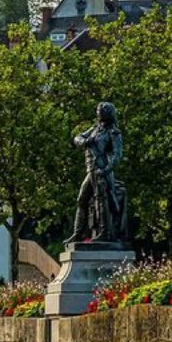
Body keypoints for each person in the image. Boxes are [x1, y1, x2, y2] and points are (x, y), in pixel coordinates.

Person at [66, 101, 126, 243]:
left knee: (101, 200)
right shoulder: (94, 129)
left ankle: (104, 232)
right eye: (98, 112)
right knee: (82, 200)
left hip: (101, 171)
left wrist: (105, 170)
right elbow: (77, 138)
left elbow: (117, 156)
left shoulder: (113, 133)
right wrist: (85, 142)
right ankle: (78, 233)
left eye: (101, 112)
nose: (98, 114)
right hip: (90, 170)